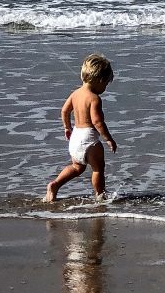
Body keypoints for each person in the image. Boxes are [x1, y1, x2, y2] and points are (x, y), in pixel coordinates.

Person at [45, 54, 118, 203]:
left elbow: (64, 111)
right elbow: (97, 121)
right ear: (100, 80)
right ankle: (100, 196)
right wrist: (108, 139)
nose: (104, 88)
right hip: (89, 139)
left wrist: (67, 127)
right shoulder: (94, 98)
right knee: (98, 169)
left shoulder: (75, 94)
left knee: (77, 167)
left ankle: (55, 184)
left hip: (76, 137)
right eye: (105, 84)